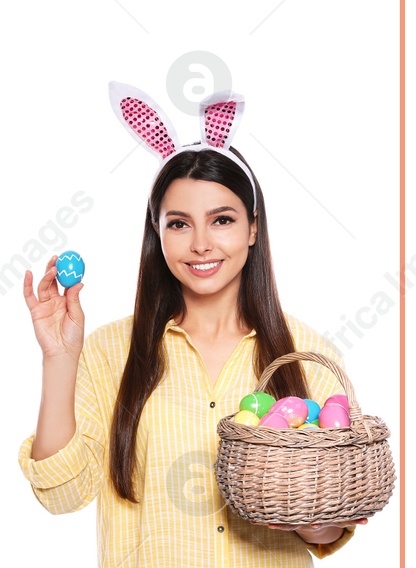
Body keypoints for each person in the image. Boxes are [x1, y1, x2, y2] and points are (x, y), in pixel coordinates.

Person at [18, 83, 362, 567]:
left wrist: (306, 508)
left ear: (253, 227)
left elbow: (326, 527)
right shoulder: (108, 351)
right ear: (156, 233)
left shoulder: (305, 351)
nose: (201, 243)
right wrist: (58, 357)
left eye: (221, 220)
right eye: (178, 223)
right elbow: (60, 495)